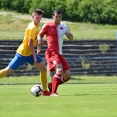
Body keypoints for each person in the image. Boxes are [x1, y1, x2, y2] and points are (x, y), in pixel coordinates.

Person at [0, 9, 49, 96]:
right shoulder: (33, 27)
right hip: (22, 54)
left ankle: (45, 91)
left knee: (43, 69)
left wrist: (38, 45)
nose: (39, 20)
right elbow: (30, 44)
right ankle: (45, 91)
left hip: (30, 53)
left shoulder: (35, 25)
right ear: (32, 17)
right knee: (8, 71)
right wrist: (34, 56)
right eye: (37, 18)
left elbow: (33, 41)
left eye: (40, 18)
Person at [37, 9, 73, 96]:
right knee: (59, 70)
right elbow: (40, 34)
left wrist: (70, 37)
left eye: (60, 17)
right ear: (53, 16)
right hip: (51, 52)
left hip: (60, 53)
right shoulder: (47, 25)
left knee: (67, 76)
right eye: (56, 17)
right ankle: (53, 92)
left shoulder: (64, 27)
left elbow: (71, 38)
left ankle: (51, 85)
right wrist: (39, 40)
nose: (58, 19)